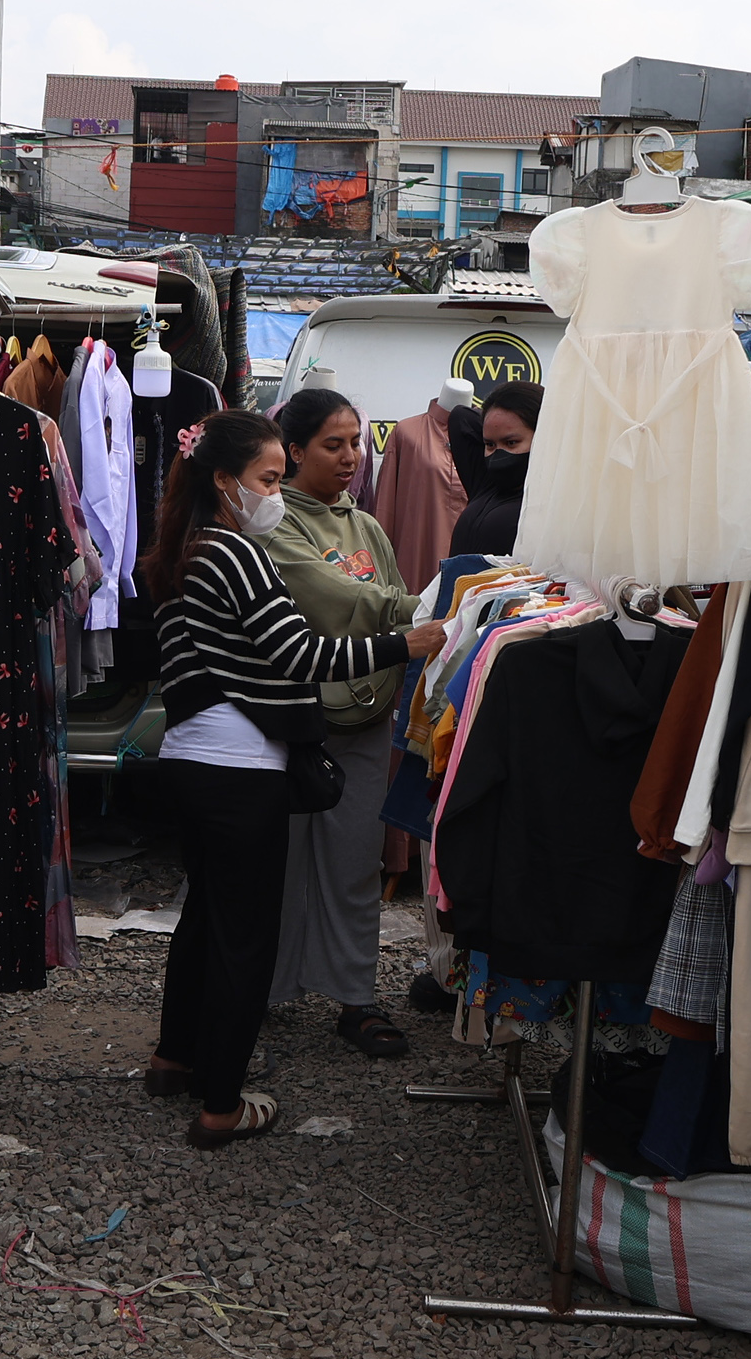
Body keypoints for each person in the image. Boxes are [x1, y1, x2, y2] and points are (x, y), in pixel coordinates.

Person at [136, 411, 446, 1149]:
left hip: (189, 759)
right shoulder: (237, 553)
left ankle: (174, 1059)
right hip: (241, 770)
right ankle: (222, 1104)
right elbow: (305, 655)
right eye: (268, 480)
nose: (275, 495)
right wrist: (407, 644)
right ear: (224, 480)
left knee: (205, 918)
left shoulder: (182, 551)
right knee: (245, 938)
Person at [262, 389, 423, 1057]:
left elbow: (387, 596)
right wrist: (428, 611)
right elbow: (333, 596)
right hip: (296, 722)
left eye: (356, 442)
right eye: (334, 444)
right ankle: (266, 992)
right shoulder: (276, 524)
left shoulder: (367, 526)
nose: (352, 456)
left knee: (357, 862)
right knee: (281, 864)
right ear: (295, 451)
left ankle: (356, 997)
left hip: (366, 720)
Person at [448, 381, 543, 557]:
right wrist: (496, 407)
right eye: (490, 444)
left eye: (511, 443)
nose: (499, 454)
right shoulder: (485, 484)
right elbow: (461, 417)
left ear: (543, 437)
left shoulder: (553, 502)